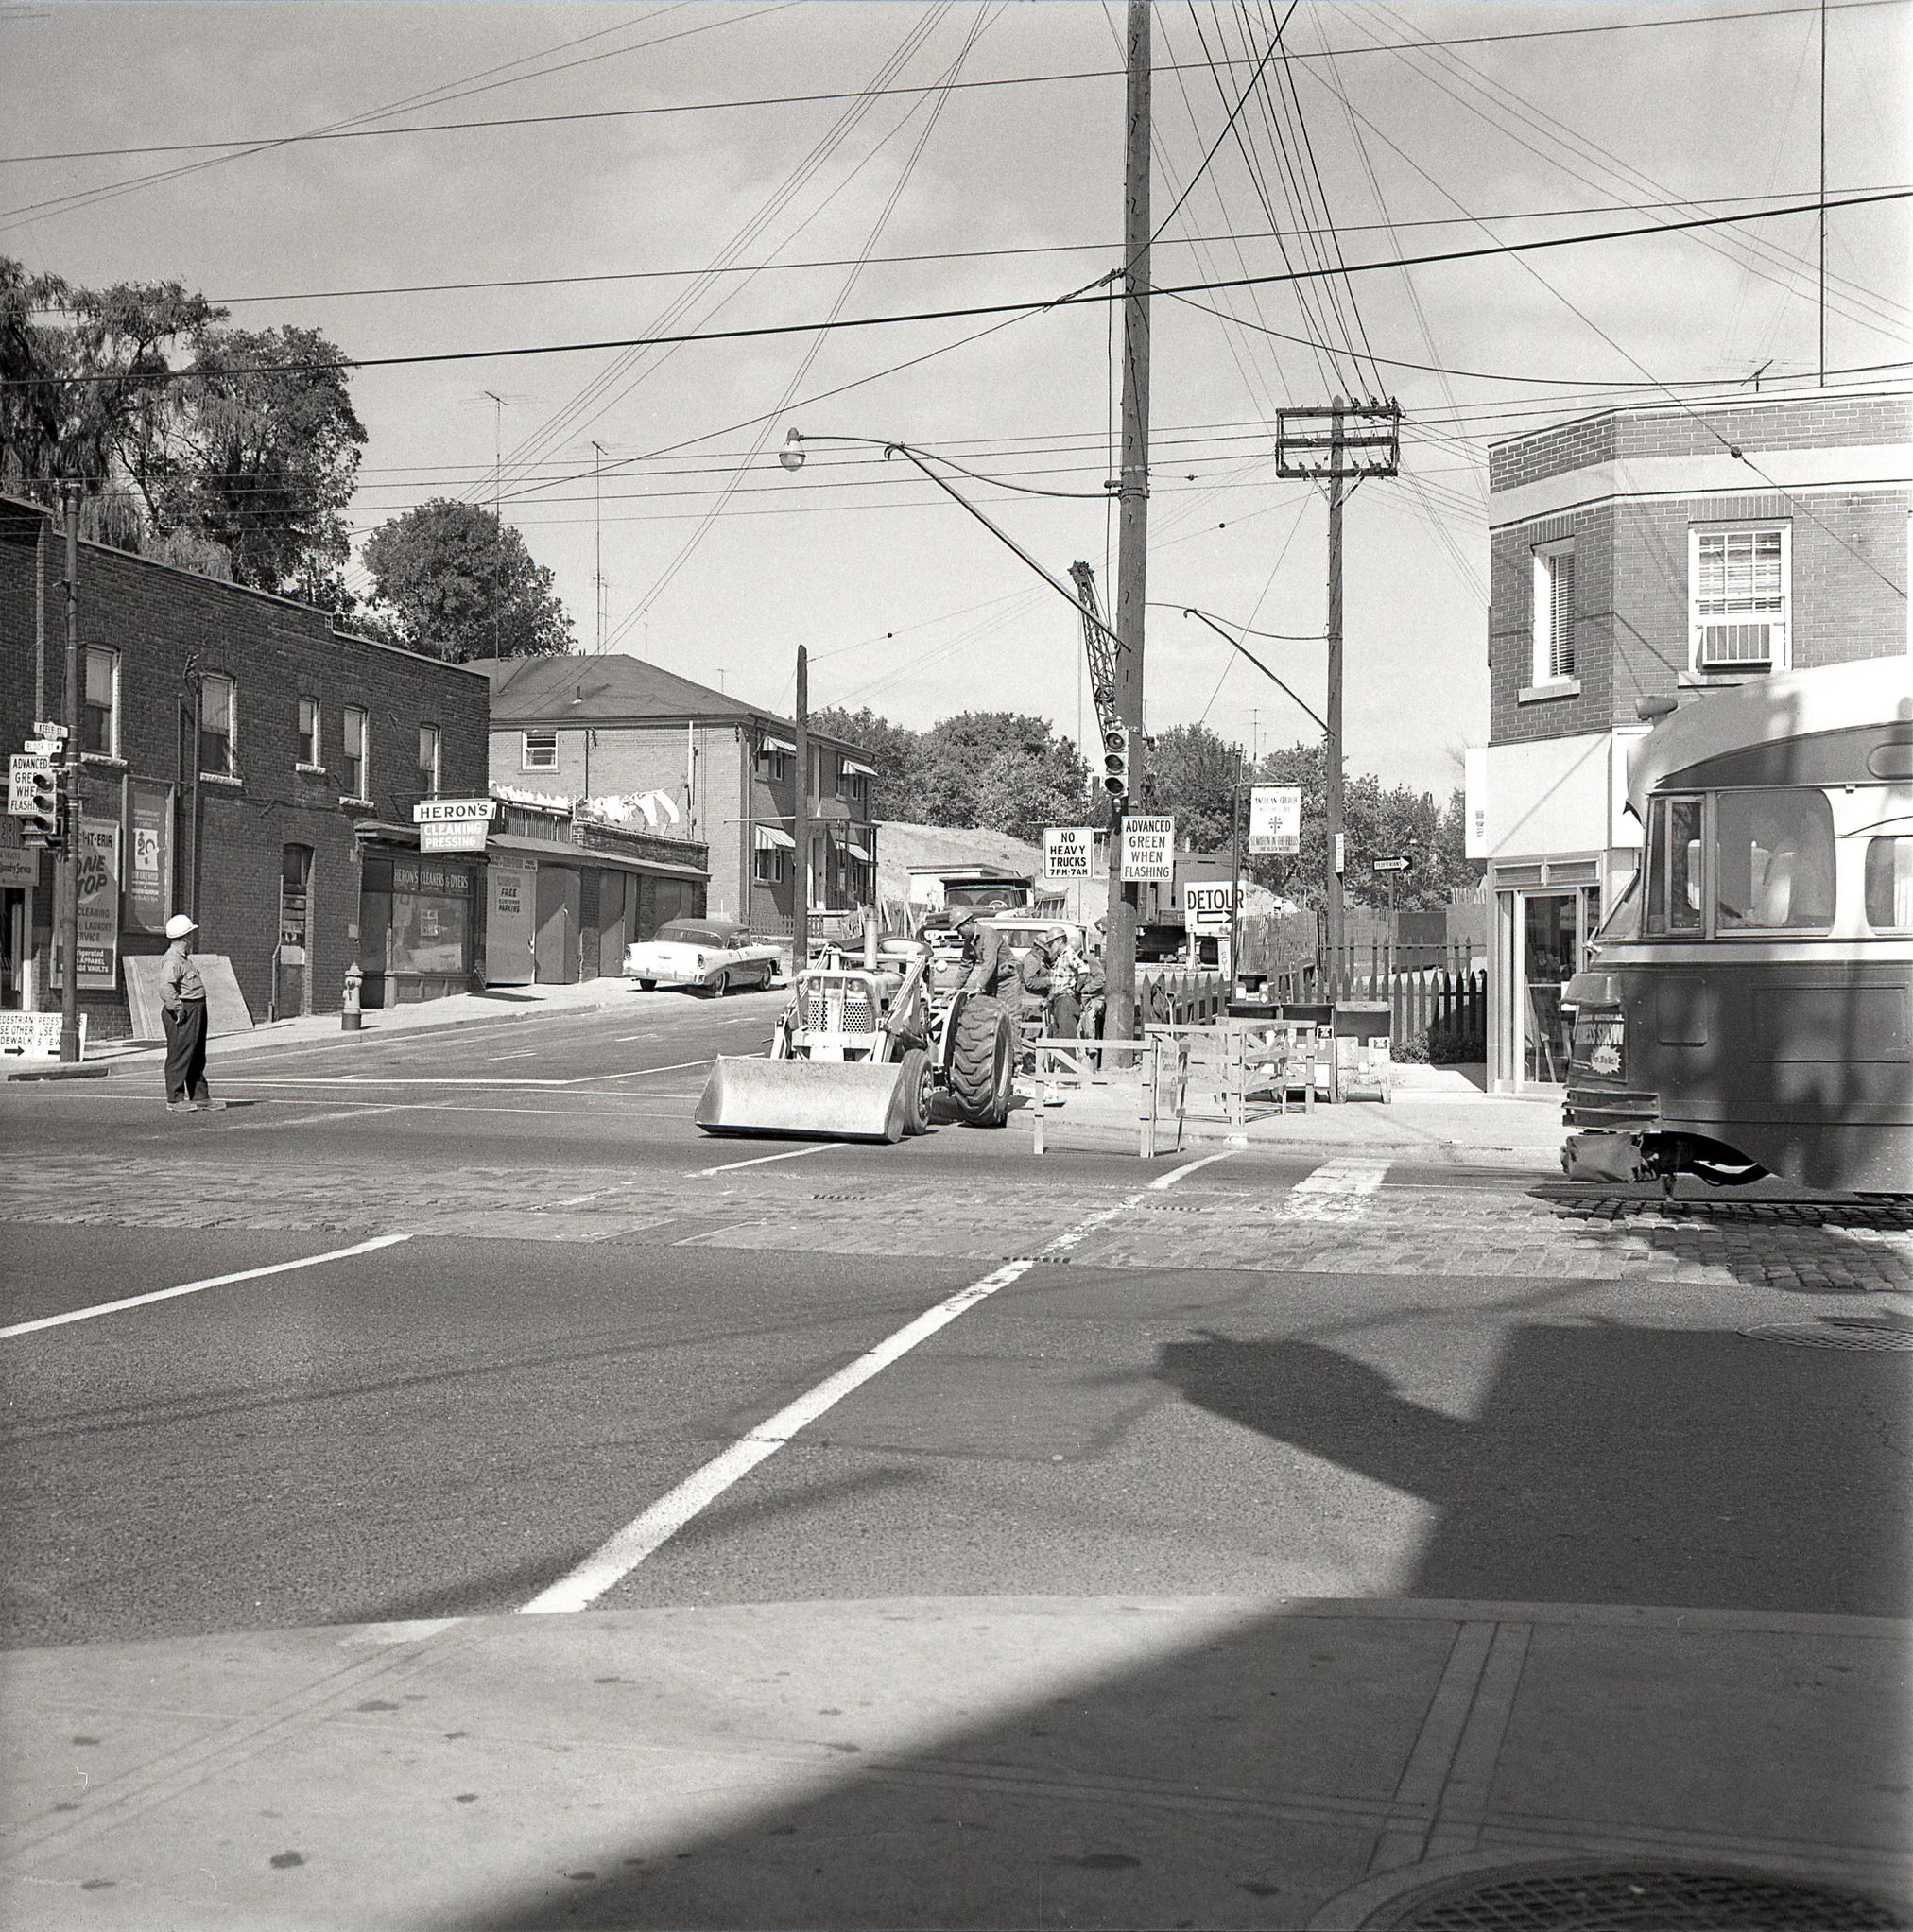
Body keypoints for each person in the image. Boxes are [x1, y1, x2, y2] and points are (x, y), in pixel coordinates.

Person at [159, 913, 213, 1112]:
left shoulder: (183, 959)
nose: (191, 939)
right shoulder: (172, 959)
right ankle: (174, 1099)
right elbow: (165, 986)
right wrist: (178, 1009)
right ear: (185, 937)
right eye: (190, 935)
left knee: (197, 1055)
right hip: (185, 1009)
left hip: (195, 1008)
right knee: (180, 1054)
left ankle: (200, 1096)